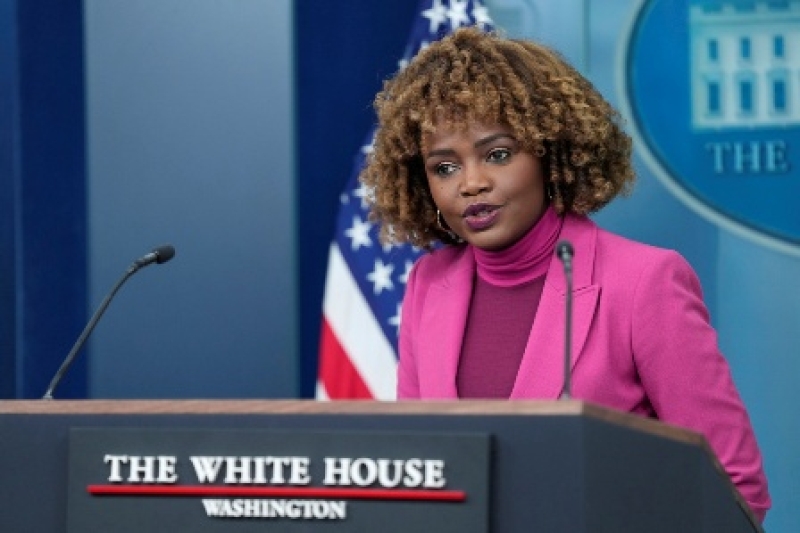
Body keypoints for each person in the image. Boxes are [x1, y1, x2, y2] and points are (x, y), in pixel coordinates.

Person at [358, 27, 770, 521]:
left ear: (550, 154)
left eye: (498, 154)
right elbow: (422, 476)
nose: (472, 183)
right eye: (445, 167)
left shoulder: (644, 282)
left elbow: (734, 487)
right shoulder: (429, 285)